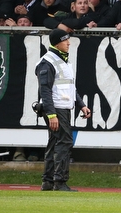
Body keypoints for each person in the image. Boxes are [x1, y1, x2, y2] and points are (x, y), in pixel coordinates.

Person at [37, 29, 91, 192]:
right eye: (65, 40)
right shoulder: (48, 61)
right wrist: (51, 114)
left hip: (61, 107)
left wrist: (81, 104)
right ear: (56, 42)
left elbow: (70, 87)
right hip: (56, 108)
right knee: (64, 142)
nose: (69, 43)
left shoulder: (62, 60)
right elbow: (44, 90)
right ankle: (59, 182)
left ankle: (48, 181)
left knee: (55, 143)